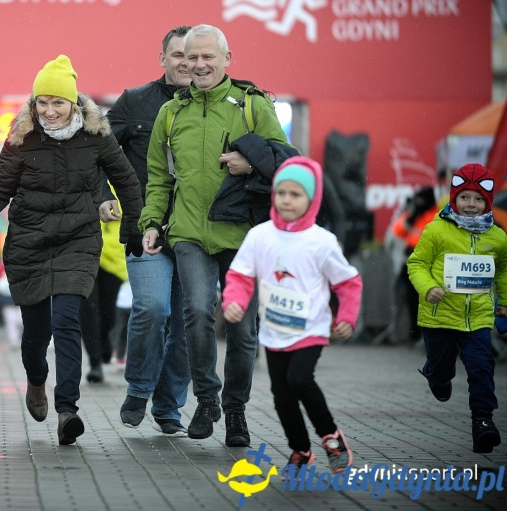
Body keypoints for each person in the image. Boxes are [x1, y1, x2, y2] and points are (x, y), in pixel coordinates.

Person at [0, 55, 143, 445]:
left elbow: (126, 180)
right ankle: (36, 380)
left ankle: (67, 410)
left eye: (57, 102)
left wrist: (133, 225)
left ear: (74, 103)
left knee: (66, 322)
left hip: (78, 240)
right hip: (28, 242)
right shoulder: (21, 137)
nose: (49, 110)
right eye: (42, 102)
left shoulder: (96, 135)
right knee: (35, 335)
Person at [139, 24, 297, 447]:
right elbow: (158, 178)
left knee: (243, 330)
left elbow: (290, 163)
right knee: (195, 311)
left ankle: (236, 409)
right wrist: (152, 222)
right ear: (182, 61)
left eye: (209, 56)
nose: (200, 64)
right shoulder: (170, 113)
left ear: (227, 58)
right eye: (192, 57)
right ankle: (207, 399)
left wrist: (252, 162)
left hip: (244, 234)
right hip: (189, 232)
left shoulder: (252, 105)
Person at [222, 157, 362, 474]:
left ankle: (332, 438)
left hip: (310, 329)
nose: (286, 200)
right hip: (273, 331)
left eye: (295, 194)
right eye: (281, 193)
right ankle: (300, 450)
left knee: (300, 379)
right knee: (282, 397)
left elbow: (348, 282)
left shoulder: (322, 242)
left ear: (311, 200)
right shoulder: (260, 236)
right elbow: (240, 276)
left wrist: (347, 317)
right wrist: (234, 301)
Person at [98, 25, 193, 435]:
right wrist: (102, 194)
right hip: (145, 228)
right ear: (163, 58)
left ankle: (169, 406)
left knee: (189, 324)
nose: (187, 63)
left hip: (198, 234)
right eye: (178, 55)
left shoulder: (223, 106)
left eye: (195, 55)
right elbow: (96, 151)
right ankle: (139, 387)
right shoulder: (135, 102)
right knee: (153, 308)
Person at [407, 163, 507, 454]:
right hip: (439, 317)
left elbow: (502, 271)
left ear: (487, 202)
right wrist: (428, 288)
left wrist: (504, 302)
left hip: (477, 317)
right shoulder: (437, 231)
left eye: (478, 199)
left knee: (481, 366)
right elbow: (417, 264)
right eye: (464, 198)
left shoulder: (498, 237)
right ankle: (437, 377)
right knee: (441, 367)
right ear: (453, 199)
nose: (471, 205)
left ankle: (483, 422)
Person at [80, 214, 126, 384]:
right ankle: (95, 362)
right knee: (88, 311)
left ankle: (105, 343)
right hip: (84, 255)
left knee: (109, 313)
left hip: (113, 260)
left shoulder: (120, 187)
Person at [391, 185, 437, 342]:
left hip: (429, 263)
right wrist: (412, 216)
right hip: (410, 260)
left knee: (426, 298)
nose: (419, 202)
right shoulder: (414, 212)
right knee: (411, 299)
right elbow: (397, 231)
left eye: (422, 200)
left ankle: (426, 334)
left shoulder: (436, 215)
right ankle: (414, 334)